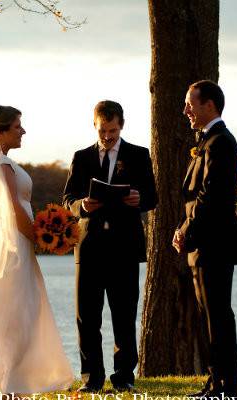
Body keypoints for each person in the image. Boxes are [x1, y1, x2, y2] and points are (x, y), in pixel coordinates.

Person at [0, 105, 74, 399]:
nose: (23, 131)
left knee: (14, 315)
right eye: (17, 126)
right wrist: (41, 238)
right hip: (14, 246)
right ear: (0, 131)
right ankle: (11, 386)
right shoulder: (2, 164)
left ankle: (7, 384)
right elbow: (12, 208)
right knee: (19, 315)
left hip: (4, 244)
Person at [63, 100, 158, 392]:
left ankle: (124, 378)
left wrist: (138, 199)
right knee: (86, 318)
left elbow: (153, 197)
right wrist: (82, 205)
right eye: (103, 130)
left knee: (124, 315)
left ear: (122, 125)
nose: (107, 136)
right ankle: (91, 379)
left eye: (113, 130)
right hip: (89, 247)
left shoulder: (140, 155)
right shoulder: (81, 157)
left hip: (124, 248)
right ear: (95, 126)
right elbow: (67, 201)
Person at [173, 80, 237, 398]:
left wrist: (185, 230)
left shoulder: (222, 142)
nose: (186, 111)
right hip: (200, 243)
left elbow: (212, 197)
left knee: (218, 314)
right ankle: (215, 381)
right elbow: (194, 199)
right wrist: (184, 229)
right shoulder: (207, 142)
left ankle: (225, 386)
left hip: (215, 243)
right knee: (210, 313)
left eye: (190, 104)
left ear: (210, 105)